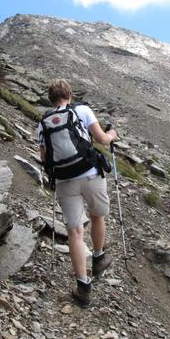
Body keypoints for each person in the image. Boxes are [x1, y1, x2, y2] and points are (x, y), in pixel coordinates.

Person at [38, 79, 118, 307]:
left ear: (50, 99)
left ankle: (83, 288)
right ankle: (99, 257)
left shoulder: (43, 123)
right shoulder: (82, 110)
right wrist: (112, 134)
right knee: (97, 215)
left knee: (74, 232)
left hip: (65, 180)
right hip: (90, 174)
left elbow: (44, 157)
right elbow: (101, 139)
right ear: (69, 95)